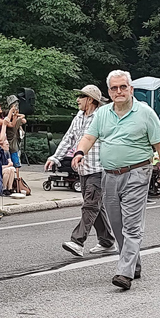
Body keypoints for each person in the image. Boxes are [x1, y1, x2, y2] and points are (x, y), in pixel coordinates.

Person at [72, 70, 160, 290]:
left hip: (137, 173)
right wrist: (79, 153)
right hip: (109, 174)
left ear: (131, 89)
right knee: (117, 223)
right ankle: (133, 262)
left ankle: (124, 272)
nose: (119, 91)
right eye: (114, 88)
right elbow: (89, 136)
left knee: (132, 226)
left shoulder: (145, 113)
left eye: (123, 87)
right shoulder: (103, 114)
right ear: (109, 92)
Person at [45, 85, 117, 257]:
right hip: (83, 169)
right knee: (96, 207)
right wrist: (55, 157)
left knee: (90, 206)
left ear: (90, 100)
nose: (77, 99)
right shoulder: (78, 116)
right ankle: (107, 242)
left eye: (81, 96)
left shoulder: (102, 117)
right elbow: (68, 138)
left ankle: (77, 241)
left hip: (100, 169)